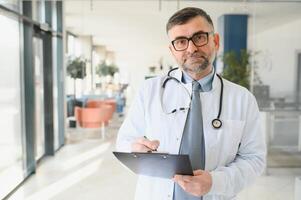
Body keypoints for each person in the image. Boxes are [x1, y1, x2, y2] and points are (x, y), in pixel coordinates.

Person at [116, 7, 266, 200]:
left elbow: (254, 159)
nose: (191, 48)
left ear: (216, 41)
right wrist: (135, 150)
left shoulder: (242, 99)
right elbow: (124, 143)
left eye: (199, 37)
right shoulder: (149, 91)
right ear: (172, 50)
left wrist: (215, 182)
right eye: (180, 42)